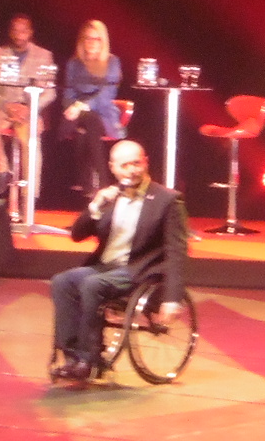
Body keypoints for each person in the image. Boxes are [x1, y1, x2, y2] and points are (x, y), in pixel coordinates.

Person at [48, 139, 187, 383]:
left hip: (137, 271)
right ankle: (73, 357)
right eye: (125, 166)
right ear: (113, 168)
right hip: (105, 266)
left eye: (136, 163)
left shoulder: (167, 200)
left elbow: (176, 250)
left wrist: (172, 298)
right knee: (62, 281)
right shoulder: (110, 197)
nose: (132, 170)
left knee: (92, 285)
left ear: (146, 163)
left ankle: (89, 359)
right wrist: (95, 206)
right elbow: (76, 235)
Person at [0, 15, 57, 196]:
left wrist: (29, 107)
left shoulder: (44, 56)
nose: (19, 35)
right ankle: (2, 171)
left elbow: (50, 92)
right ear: (10, 32)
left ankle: (29, 195)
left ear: (30, 32)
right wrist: (7, 106)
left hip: (29, 109)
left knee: (30, 139)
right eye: (15, 30)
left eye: (23, 31)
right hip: (2, 108)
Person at [60, 20, 123, 196]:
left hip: (103, 112)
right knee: (86, 125)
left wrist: (81, 106)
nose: (92, 42)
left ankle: (92, 185)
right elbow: (68, 92)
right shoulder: (74, 63)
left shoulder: (112, 62)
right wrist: (70, 107)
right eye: (88, 38)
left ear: (103, 41)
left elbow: (107, 95)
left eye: (97, 39)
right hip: (77, 114)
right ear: (82, 40)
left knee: (88, 128)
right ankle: (103, 185)